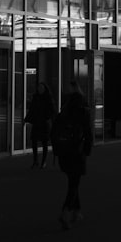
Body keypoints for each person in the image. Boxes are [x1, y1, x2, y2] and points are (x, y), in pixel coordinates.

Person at [52, 82, 93, 229]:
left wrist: (56, 149)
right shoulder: (83, 110)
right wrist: (87, 149)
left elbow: (55, 130)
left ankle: (77, 211)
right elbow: (88, 132)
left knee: (72, 180)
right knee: (74, 183)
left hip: (64, 149)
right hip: (77, 150)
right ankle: (66, 211)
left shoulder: (64, 109)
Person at [24, 81, 56, 169]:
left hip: (44, 123)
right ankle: (35, 161)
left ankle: (43, 161)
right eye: (38, 88)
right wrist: (26, 119)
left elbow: (52, 110)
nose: (39, 89)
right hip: (37, 122)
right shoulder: (36, 97)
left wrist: (47, 117)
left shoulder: (48, 98)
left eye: (41, 88)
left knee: (44, 142)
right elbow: (31, 109)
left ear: (45, 89)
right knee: (34, 141)